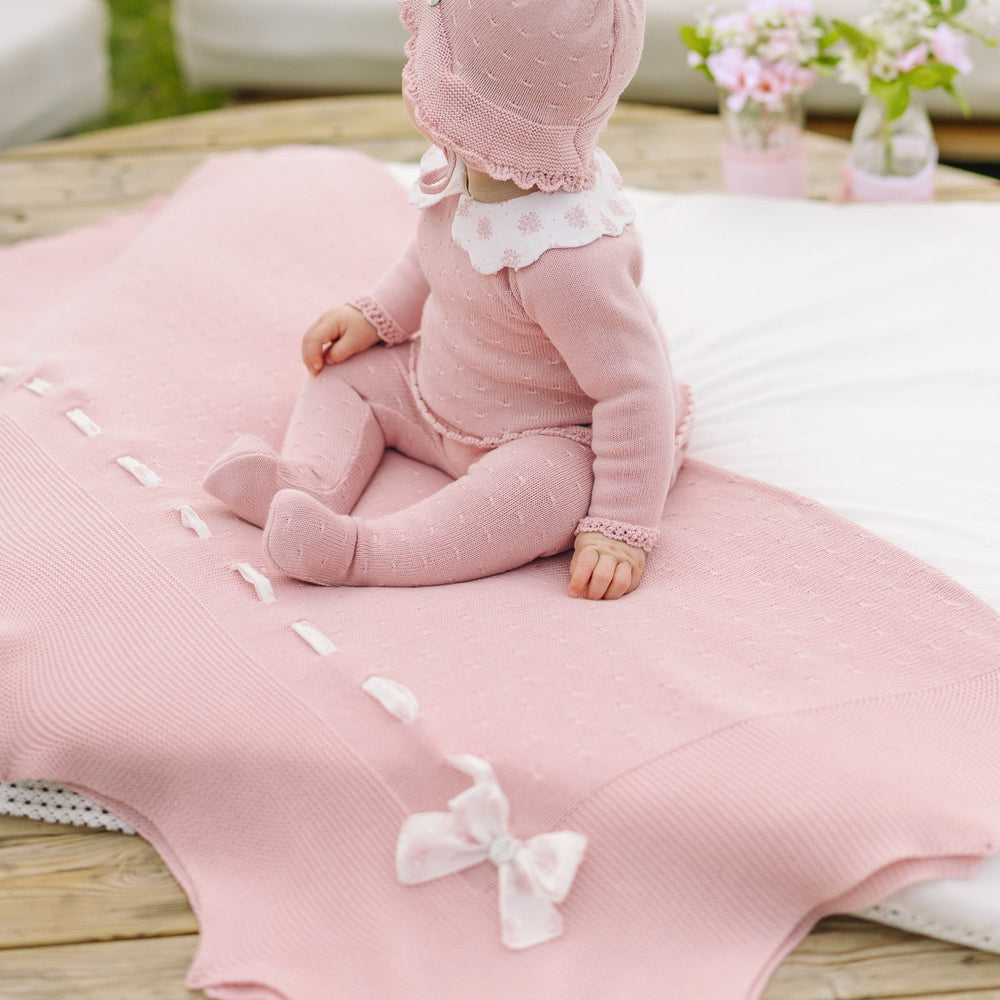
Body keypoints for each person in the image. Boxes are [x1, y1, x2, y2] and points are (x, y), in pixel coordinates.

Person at [203, 0, 692, 600]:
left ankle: (365, 550)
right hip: (437, 386)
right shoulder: (461, 173)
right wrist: (376, 313)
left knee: (540, 491)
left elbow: (635, 388)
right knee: (345, 372)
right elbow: (431, 257)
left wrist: (621, 525)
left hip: (548, 432)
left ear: (477, 109)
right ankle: (306, 481)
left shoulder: (571, 261)